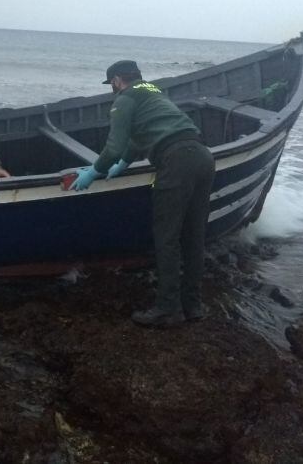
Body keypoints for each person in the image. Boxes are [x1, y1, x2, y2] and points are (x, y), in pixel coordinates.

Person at [70, 60, 215, 327]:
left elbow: (113, 147)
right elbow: (139, 136)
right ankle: (193, 306)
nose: (112, 88)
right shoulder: (152, 90)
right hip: (203, 157)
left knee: (167, 237)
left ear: (116, 80)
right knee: (194, 236)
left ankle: (168, 309)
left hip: (176, 161)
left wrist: (94, 171)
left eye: (111, 84)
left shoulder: (124, 98)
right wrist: (124, 163)